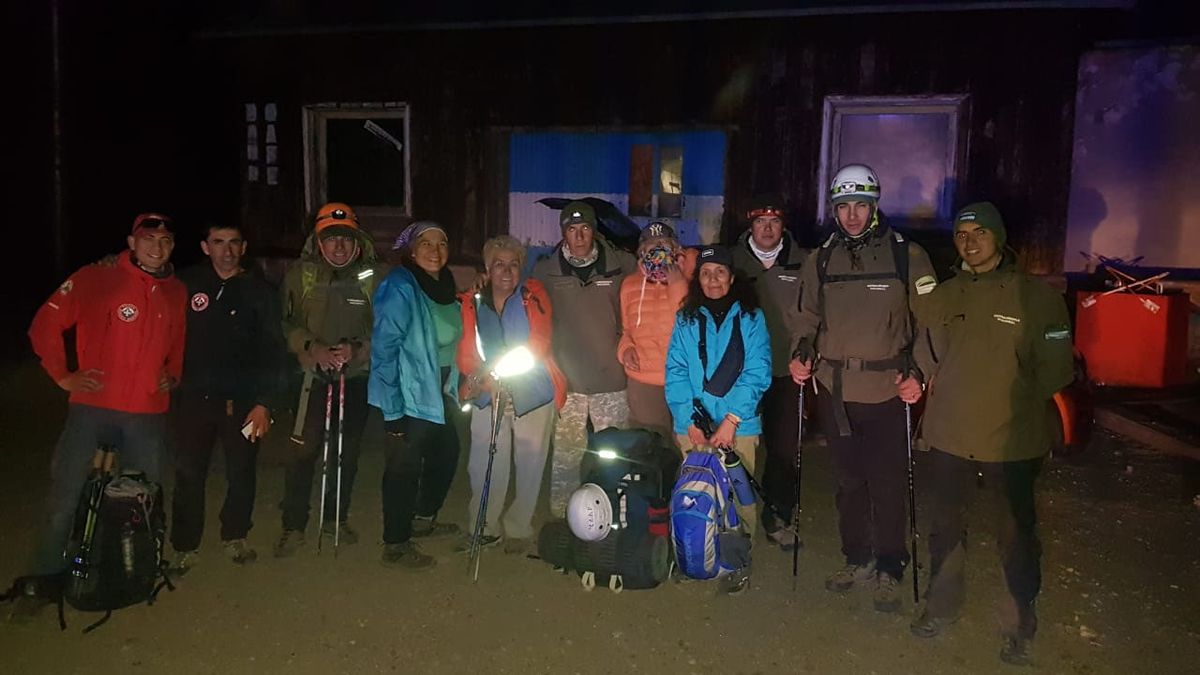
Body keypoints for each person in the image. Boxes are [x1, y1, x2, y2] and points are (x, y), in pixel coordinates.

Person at [908, 202, 1074, 666]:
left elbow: (1056, 371)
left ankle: (1019, 621)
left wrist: (1013, 400)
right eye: (961, 233)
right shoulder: (947, 293)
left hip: (1011, 440)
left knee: (1016, 534)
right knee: (945, 529)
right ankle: (940, 608)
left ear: (999, 237)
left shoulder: (1036, 298)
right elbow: (921, 330)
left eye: (980, 232)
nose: (969, 241)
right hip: (949, 435)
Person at [15, 213, 186, 620]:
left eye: (164, 240)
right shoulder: (96, 277)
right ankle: (45, 577)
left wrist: (172, 375)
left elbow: (178, 340)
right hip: (93, 408)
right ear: (131, 240)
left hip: (146, 413)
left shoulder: (176, 290)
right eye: (148, 239)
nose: (156, 247)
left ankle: (133, 570)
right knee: (65, 495)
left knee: (142, 499)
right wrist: (62, 375)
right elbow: (45, 324)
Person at [788, 164, 935, 612]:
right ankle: (858, 557)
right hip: (835, 391)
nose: (852, 215)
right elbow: (807, 317)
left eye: (860, 206)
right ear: (834, 210)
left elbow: (932, 323)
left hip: (889, 389)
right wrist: (801, 353)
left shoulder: (907, 256)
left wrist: (920, 373)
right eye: (844, 207)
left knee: (888, 483)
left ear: (875, 206)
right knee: (849, 483)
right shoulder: (822, 258)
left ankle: (891, 564)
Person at [171, 222, 285, 571]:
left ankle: (235, 535)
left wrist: (265, 402)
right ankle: (184, 544)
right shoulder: (184, 283)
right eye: (218, 242)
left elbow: (274, 349)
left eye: (234, 242)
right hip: (192, 401)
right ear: (205, 246)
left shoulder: (260, 291)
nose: (227, 250)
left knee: (242, 471)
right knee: (189, 475)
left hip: (244, 404)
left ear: (243, 246)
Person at [275, 202, 387, 557]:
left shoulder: (374, 278)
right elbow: (283, 323)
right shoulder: (300, 275)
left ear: (357, 241)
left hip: (353, 378)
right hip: (311, 377)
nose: (339, 246)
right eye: (330, 238)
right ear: (318, 241)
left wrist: (358, 349)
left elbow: (386, 327)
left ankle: (335, 518)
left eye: (345, 238)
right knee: (301, 453)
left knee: (346, 453)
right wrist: (312, 346)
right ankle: (293, 524)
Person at [665, 245, 771, 595]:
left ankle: (737, 560)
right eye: (706, 273)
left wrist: (731, 418)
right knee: (695, 493)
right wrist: (687, 419)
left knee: (740, 497)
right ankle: (697, 554)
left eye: (720, 272)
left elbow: (758, 370)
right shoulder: (686, 318)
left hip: (738, 425)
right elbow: (676, 369)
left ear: (732, 277)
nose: (713, 280)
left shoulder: (751, 318)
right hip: (693, 425)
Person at [456, 235, 566, 555]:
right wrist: (484, 379)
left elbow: (538, 344)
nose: (506, 271)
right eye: (499, 264)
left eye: (513, 264)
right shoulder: (472, 300)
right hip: (486, 392)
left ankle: (519, 526)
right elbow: (466, 351)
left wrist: (501, 372)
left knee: (530, 462)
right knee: (484, 461)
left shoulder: (533, 294)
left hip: (531, 390)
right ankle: (485, 526)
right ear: (487, 268)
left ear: (522, 267)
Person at [531, 200, 636, 517]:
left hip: (611, 380)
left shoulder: (621, 264)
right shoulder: (544, 270)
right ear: (563, 232)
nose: (579, 236)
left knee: (614, 455)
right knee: (566, 454)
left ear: (595, 230)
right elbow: (527, 307)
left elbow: (650, 284)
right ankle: (564, 516)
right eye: (572, 229)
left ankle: (618, 514)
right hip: (569, 382)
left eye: (585, 228)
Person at [370, 221, 464, 569]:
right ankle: (395, 542)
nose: (435, 250)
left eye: (442, 243)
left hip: (439, 390)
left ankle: (422, 519)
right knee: (402, 468)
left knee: (446, 454)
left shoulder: (445, 284)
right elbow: (384, 348)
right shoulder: (400, 286)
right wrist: (392, 411)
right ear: (411, 250)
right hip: (409, 393)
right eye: (426, 243)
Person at [729, 194, 808, 549]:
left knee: (783, 451)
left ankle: (778, 517)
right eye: (760, 222)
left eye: (774, 222)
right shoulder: (731, 261)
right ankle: (732, 515)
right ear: (751, 225)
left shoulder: (804, 262)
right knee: (737, 446)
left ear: (783, 226)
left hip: (785, 373)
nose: (767, 228)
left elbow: (815, 315)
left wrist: (806, 353)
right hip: (739, 374)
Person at [617, 221, 694, 437]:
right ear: (642, 251)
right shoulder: (630, 284)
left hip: (684, 378)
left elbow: (688, 321)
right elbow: (626, 330)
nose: (658, 250)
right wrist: (626, 350)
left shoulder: (691, 278)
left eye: (664, 244)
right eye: (652, 246)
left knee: (688, 444)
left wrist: (677, 283)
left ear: (676, 248)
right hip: (644, 381)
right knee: (651, 446)